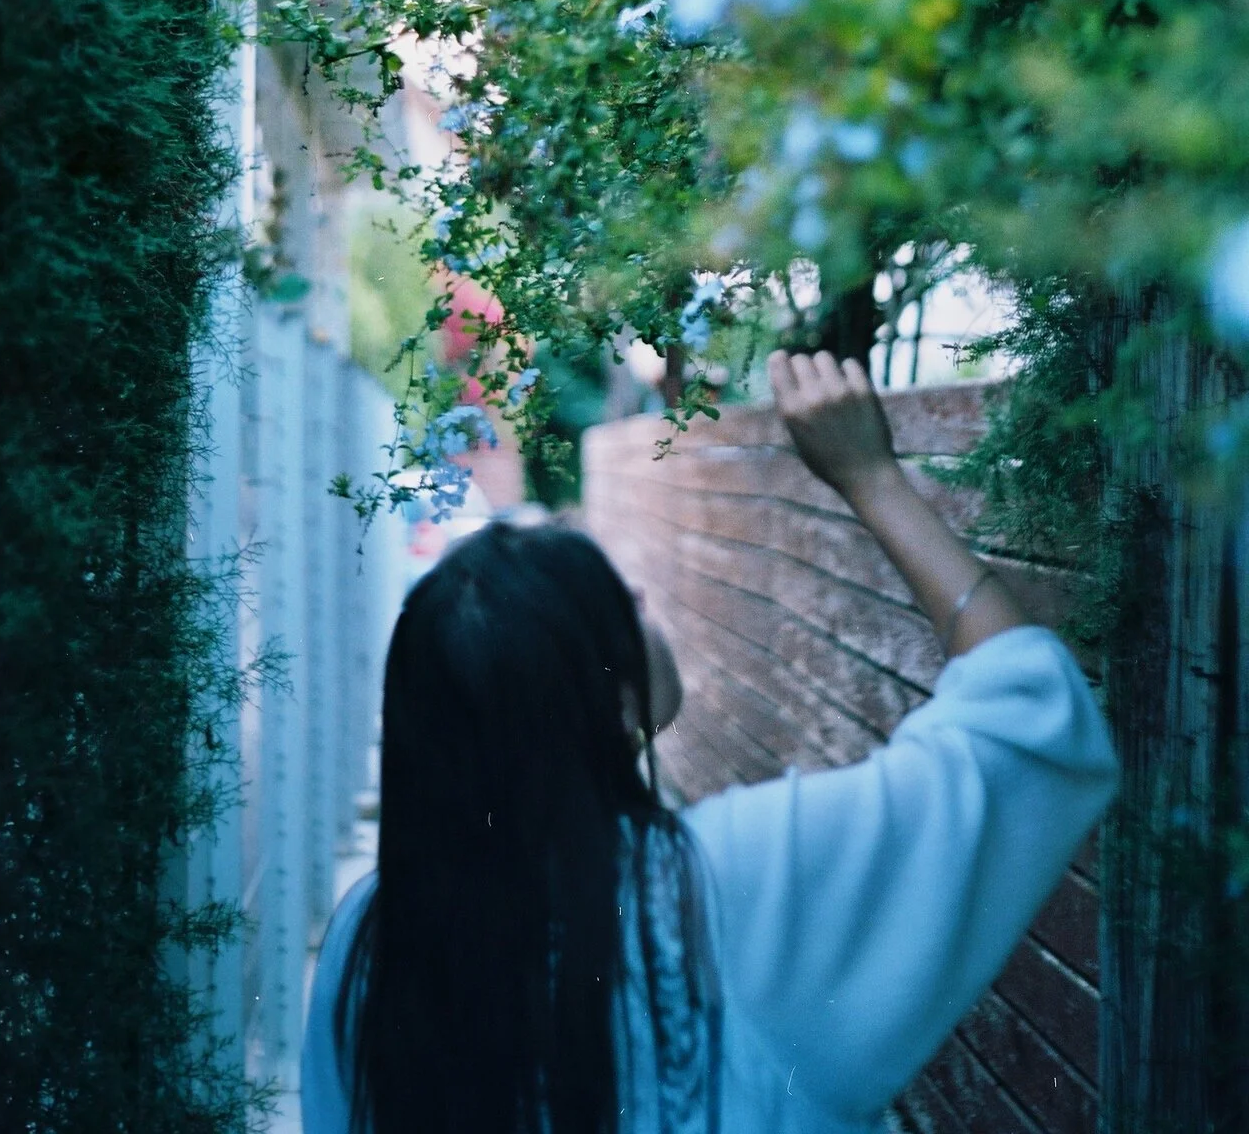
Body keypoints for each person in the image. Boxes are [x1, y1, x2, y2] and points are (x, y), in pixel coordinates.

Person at [301, 351, 1120, 1134]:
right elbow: (1031, 715)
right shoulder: (736, 885)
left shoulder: (369, 940)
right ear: (612, 703)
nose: (645, 589)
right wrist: (871, 478)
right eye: (626, 603)